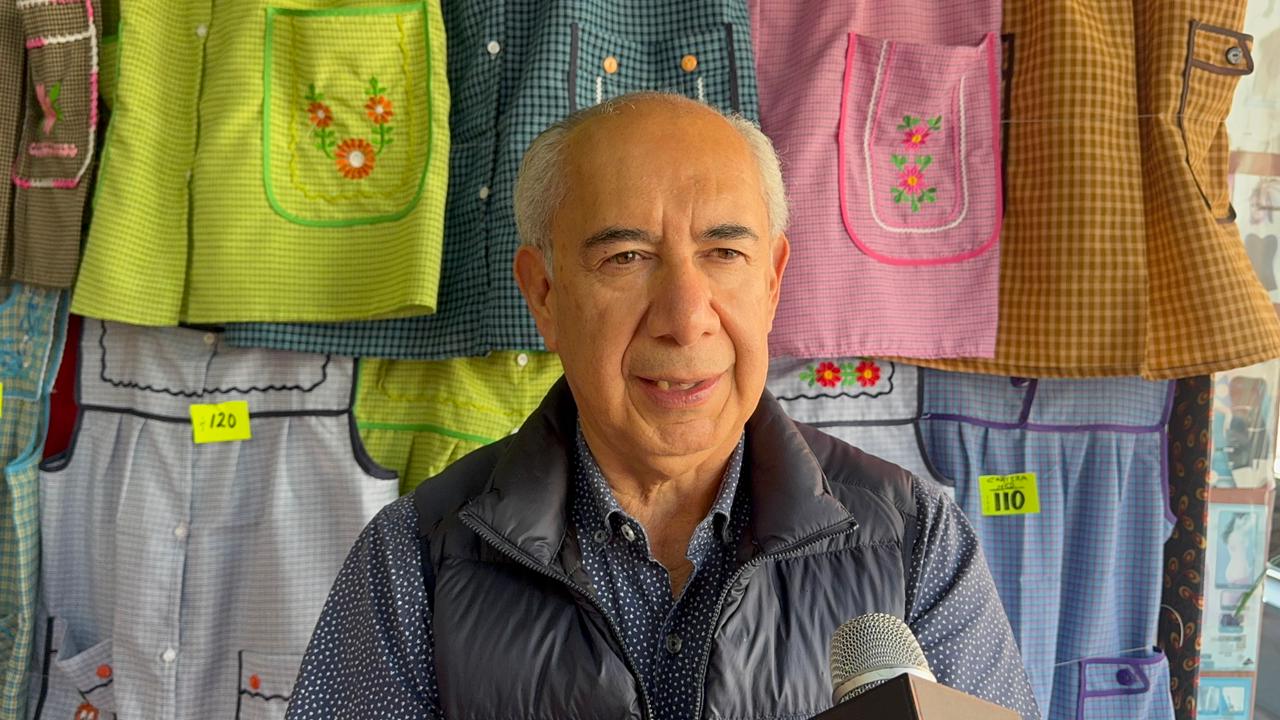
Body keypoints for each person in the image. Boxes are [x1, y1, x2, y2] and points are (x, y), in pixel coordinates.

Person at [285, 92, 1040, 719]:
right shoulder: (419, 556)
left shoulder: (913, 541)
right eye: (627, 257)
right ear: (543, 294)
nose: (685, 317)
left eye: (724, 253)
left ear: (772, 282)